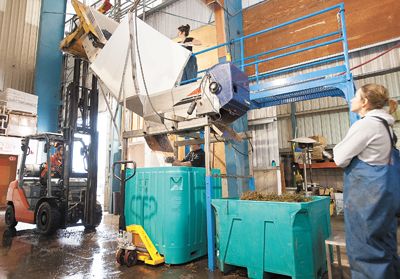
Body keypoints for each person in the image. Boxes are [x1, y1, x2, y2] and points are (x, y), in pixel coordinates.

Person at [333, 83, 400, 279]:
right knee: (384, 250)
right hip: (383, 198)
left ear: (364, 102)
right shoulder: (386, 126)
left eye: (355, 97)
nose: (352, 100)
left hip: (368, 204)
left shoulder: (367, 124)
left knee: (367, 254)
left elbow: (339, 157)